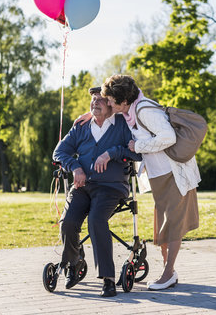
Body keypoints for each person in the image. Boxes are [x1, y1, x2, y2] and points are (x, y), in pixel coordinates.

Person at [101, 74, 200, 291]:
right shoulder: (130, 112)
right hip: (159, 176)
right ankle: (168, 272)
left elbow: (168, 138)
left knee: (173, 225)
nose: (108, 103)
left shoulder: (145, 110)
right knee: (164, 225)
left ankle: (168, 273)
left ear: (124, 101)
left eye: (110, 100)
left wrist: (139, 147)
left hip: (173, 173)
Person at [52, 87, 141, 297]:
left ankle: (108, 279)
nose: (95, 103)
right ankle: (72, 266)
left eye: (101, 99)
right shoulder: (81, 126)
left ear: (112, 104)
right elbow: (59, 151)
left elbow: (138, 152)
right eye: (93, 99)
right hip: (83, 187)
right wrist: (75, 167)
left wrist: (112, 153)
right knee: (68, 222)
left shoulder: (123, 125)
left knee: (96, 220)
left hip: (111, 187)